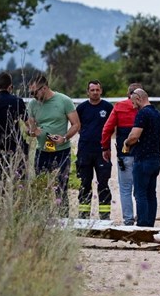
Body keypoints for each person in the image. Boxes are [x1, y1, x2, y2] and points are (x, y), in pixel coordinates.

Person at [26, 75, 80, 216]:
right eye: (30, 93)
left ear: (44, 88)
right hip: (42, 151)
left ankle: (63, 217)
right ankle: (42, 218)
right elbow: (31, 129)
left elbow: (76, 124)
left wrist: (64, 137)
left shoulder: (64, 101)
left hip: (61, 150)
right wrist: (31, 132)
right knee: (41, 186)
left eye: (34, 92)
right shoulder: (32, 104)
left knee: (61, 186)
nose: (33, 96)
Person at [101, 82, 142, 225]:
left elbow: (107, 129)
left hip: (124, 155)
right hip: (142, 155)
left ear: (127, 93)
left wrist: (105, 148)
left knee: (125, 189)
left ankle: (128, 219)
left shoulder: (119, 107)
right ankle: (142, 218)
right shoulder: (146, 108)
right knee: (140, 188)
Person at [123, 88, 160, 227]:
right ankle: (150, 224)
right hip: (156, 159)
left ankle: (142, 225)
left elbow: (134, 136)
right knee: (151, 194)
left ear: (139, 98)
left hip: (143, 160)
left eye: (134, 103)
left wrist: (126, 143)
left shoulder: (143, 114)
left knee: (140, 194)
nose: (133, 106)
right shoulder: (157, 114)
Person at [76, 80, 113, 220]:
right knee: (85, 183)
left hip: (102, 151)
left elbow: (112, 127)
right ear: (88, 92)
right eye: (92, 90)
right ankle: (83, 215)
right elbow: (77, 126)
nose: (95, 92)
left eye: (97, 90)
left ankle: (104, 215)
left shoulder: (108, 107)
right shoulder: (81, 108)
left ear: (101, 91)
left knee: (103, 183)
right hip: (85, 151)